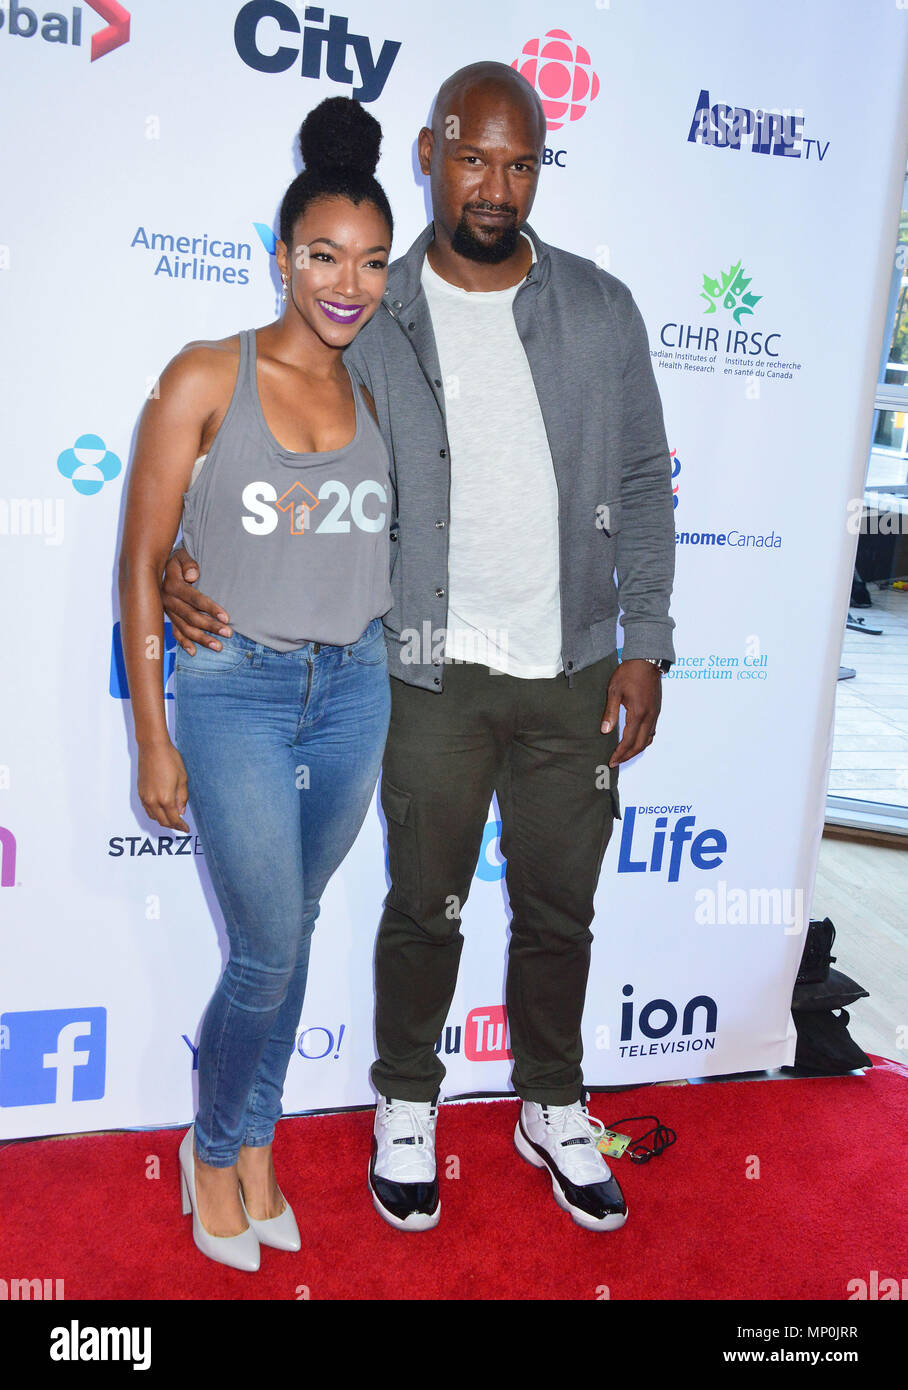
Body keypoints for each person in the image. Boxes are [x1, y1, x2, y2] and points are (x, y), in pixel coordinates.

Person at [163, 62, 676, 1235]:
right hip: (425, 669)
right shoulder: (368, 310)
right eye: (472, 156)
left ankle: (550, 1098)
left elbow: (645, 480)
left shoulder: (599, 307)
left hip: (574, 670)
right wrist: (172, 560)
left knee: (560, 906)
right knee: (423, 903)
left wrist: (643, 641)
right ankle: (406, 1101)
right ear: (429, 155)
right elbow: (266, 437)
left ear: (538, 167)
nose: (494, 185)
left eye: (518, 162)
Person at [118, 98, 395, 1270]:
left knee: (291, 933)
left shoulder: (377, 382)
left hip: (355, 690)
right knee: (271, 948)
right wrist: (151, 737)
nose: (349, 283)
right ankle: (215, 1144)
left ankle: (256, 1143)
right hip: (232, 687)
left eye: (373, 261)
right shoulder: (203, 373)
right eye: (324, 256)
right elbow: (141, 567)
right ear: (280, 257)